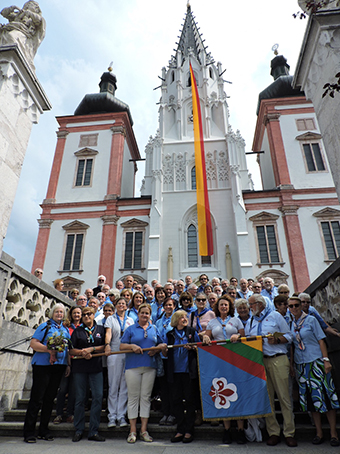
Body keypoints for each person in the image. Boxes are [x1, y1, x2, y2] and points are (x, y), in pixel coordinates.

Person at [245, 294, 297, 447]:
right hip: (261, 362)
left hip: (278, 358)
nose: (250, 307)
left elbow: (290, 336)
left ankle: (289, 433)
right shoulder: (251, 321)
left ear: (260, 304)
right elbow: (248, 340)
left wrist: (278, 340)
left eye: (251, 304)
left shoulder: (275, 316)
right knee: (268, 400)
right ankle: (273, 432)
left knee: (284, 398)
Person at [288, 296, 340, 446]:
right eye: (291, 306)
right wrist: (292, 365)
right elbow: (292, 346)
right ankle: (319, 432)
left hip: (316, 362)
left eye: (296, 305)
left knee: (327, 396)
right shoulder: (291, 323)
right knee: (311, 399)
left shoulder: (311, 320)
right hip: (301, 365)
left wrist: (326, 360)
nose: (294, 308)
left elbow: (320, 340)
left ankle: (333, 433)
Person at [23, 303, 70, 443]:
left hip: (59, 366)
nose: (59, 314)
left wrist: (68, 365)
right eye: (57, 312)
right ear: (52, 313)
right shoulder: (45, 326)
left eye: (61, 312)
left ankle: (44, 430)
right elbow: (33, 343)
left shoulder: (65, 330)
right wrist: (48, 349)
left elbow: (67, 349)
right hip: (43, 366)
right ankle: (29, 432)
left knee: (49, 400)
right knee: (37, 399)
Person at [120, 303, 167, 443]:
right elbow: (122, 346)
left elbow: (161, 344)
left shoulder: (154, 328)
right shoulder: (130, 329)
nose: (144, 315)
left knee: (145, 398)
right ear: (138, 314)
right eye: (142, 313)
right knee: (133, 397)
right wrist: (132, 346)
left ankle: (144, 430)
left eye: (147, 313)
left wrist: (157, 349)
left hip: (150, 367)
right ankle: (132, 430)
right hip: (132, 367)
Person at [203, 295, 246, 444]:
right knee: (222, 393)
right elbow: (206, 337)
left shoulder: (236, 320)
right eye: (221, 305)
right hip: (219, 361)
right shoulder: (212, 322)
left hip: (235, 360)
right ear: (217, 307)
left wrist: (237, 335)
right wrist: (205, 338)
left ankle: (240, 430)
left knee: (238, 392)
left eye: (226, 305)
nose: (223, 307)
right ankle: (227, 430)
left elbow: (243, 336)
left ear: (230, 307)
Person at [70, 307, 106, 442]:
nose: (86, 316)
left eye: (89, 314)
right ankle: (79, 430)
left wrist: (93, 349)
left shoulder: (101, 329)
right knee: (79, 399)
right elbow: (71, 350)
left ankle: (93, 431)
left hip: (96, 368)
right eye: (84, 315)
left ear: (94, 315)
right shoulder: (77, 331)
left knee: (98, 397)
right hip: (80, 368)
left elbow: (105, 346)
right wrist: (82, 352)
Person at [164, 310, 200, 444]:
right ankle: (180, 429)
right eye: (182, 317)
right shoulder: (170, 334)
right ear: (176, 320)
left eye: (185, 317)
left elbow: (199, 347)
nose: (185, 319)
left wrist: (193, 348)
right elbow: (165, 352)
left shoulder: (191, 332)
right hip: (174, 372)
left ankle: (189, 430)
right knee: (176, 401)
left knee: (190, 401)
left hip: (188, 372)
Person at [105, 297, 134, 428]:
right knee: (113, 385)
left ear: (126, 306)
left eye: (124, 304)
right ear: (115, 306)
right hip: (115, 353)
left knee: (124, 387)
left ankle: (121, 416)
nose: (121, 305)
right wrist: (107, 344)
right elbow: (108, 333)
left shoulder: (130, 320)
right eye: (119, 303)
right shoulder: (111, 318)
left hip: (127, 355)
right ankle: (112, 416)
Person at [53, 306, 82, 425]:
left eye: (78, 313)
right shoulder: (66, 327)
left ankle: (70, 413)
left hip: (79, 361)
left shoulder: (83, 327)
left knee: (74, 389)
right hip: (66, 360)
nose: (76, 315)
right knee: (63, 389)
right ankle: (59, 414)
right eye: (74, 313)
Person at [156, 298, 176, 426]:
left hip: (173, 357)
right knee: (163, 387)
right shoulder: (158, 321)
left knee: (173, 386)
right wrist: (160, 346)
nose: (168, 307)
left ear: (174, 306)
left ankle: (173, 413)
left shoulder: (177, 319)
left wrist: (168, 348)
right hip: (160, 357)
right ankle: (165, 412)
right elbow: (156, 336)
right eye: (166, 305)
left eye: (171, 305)